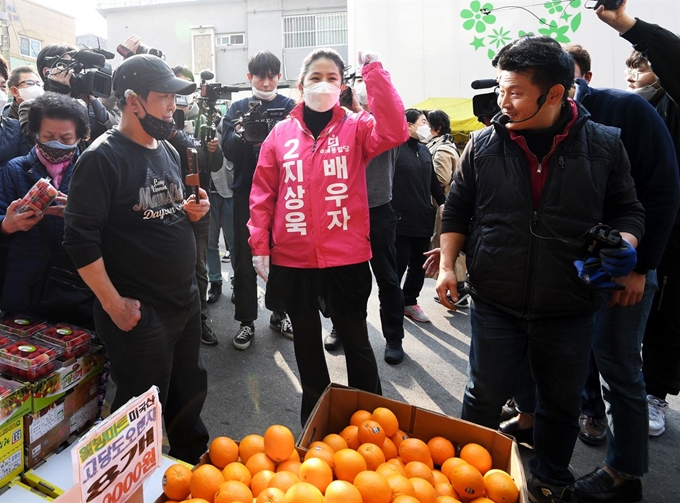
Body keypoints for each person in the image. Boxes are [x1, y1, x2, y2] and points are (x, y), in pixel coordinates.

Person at [435, 35, 645, 502]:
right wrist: (449, 266)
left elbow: (629, 210)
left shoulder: (605, 145)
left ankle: (551, 477)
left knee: (559, 403)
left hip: (568, 303)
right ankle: (467, 473)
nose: (501, 102)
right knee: (484, 392)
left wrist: (625, 245)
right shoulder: (485, 145)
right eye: (500, 90)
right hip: (494, 298)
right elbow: (456, 209)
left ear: (554, 94)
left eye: (513, 92)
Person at [501, 41, 680, 503]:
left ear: (561, 85)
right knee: (565, 354)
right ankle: (551, 421)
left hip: (626, 265)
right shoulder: (534, 125)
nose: (511, 99)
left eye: (523, 87)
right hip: (580, 265)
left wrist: (641, 268)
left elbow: (661, 192)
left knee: (619, 364)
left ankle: (624, 473)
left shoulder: (625, 111)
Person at [63, 54, 210, 464]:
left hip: (184, 299)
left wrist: (192, 210)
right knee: (140, 408)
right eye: (163, 97)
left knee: (190, 386)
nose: (172, 106)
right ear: (132, 100)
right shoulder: (102, 157)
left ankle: (191, 463)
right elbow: (78, 238)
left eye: (174, 98)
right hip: (140, 311)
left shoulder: (165, 148)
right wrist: (113, 304)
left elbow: (161, 209)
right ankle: (128, 478)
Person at [248, 48, 408, 425]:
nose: (324, 84)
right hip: (294, 257)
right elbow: (263, 193)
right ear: (300, 84)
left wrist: (374, 71)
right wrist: (259, 245)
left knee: (356, 341)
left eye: (332, 77)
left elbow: (395, 129)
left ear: (342, 85)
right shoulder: (281, 134)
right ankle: (317, 423)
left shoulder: (357, 126)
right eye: (315, 77)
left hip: (346, 256)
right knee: (306, 346)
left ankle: (371, 425)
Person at [327, 76, 406, 364]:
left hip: (378, 210)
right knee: (344, 277)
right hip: (345, 212)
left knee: (387, 277)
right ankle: (342, 327)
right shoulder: (340, 128)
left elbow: (390, 121)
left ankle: (394, 337)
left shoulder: (386, 129)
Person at [221, 51, 296, 350]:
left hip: (282, 194)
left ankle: (280, 312)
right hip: (245, 193)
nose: (266, 82)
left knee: (281, 257)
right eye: (260, 76)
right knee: (242, 258)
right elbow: (228, 151)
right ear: (249, 77)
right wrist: (243, 132)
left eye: (272, 76)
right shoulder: (237, 108)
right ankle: (246, 321)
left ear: (279, 77)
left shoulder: (290, 107)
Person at [0, 92, 92, 325]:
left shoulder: (91, 171)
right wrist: (6, 224)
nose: (56, 143)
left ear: (80, 137)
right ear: (36, 135)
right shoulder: (14, 170)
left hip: (77, 283)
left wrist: (79, 212)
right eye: (48, 136)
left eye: (66, 138)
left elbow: (113, 224)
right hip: (24, 283)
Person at [167, 64, 222, 345]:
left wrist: (214, 148)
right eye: (174, 86)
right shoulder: (158, 118)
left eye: (186, 87)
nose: (178, 95)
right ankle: (175, 321)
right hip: (165, 201)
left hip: (198, 199)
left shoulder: (204, 117)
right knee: (169, 264)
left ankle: (199, 320)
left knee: (198, 265)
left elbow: (213, 165)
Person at [393, 109, 446, 324]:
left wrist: (443, 203)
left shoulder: (425, 151)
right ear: (408, 125)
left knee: (419, 265)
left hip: (423, 218)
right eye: (423, 121)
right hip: (400, 220)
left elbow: (433, 181)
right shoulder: (394, 150)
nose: (427, 125)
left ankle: (409, 301)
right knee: (398, 265)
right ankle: (391, 304)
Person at [207, 116, 235, 305]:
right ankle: (215, 281)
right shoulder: (198, 124)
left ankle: (237, 282)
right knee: (210, 243)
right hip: (206, 193)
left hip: (229, 190)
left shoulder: (227, 123)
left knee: (234, 243)